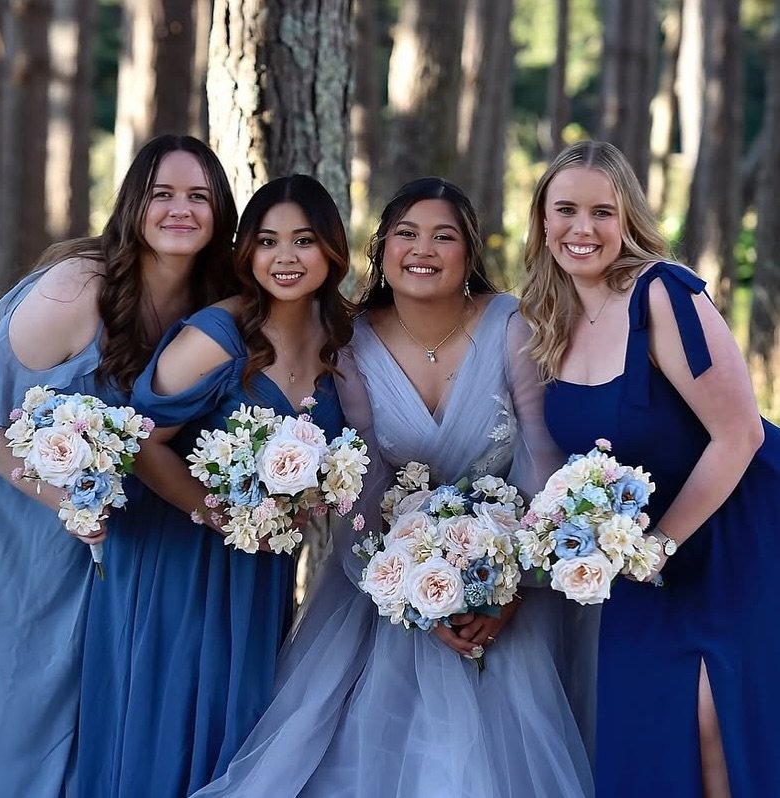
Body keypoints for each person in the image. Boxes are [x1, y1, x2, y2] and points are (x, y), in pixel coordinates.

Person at [191, 177, 596, 798]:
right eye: (405, 234)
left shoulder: (511, 324)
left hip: (515, 577)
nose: (422, 248)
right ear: (381, 250)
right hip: (387, 585)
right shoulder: (349, 340)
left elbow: (541, 459)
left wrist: (509, 587)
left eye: (444, 235)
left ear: (470, 252)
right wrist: (404, 586)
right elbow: (364, 479)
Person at [76, 174, 353, 798]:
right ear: (246, 252)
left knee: (236, 722)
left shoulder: (342, 340)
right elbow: (139, 442)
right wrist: (215, 510)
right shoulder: (216, 334)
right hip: (174, 555)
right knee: (166, 718)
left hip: (260, 569)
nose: (284, 258)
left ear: (331, 250)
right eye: (267, 241)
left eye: (303, 241)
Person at [519, 139, 780, 797]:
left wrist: (662, 544)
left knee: (716, 726)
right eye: (566, 211)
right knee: (655, 736)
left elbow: (739, 433)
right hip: (637, 564)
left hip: (733, 536)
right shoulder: (552, 321)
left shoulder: (663, 293)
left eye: (602, 212)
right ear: (542, 222)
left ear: (628, 218)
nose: (583, 229)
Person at [0, 133, 237, 798]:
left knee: (93, 712)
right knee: (23, 700)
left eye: (198, 197)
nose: (180, 210)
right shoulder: (75, 291)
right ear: (133, 207)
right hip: (22, 523)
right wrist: (59, 499)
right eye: (162, 195)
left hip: (124, 544)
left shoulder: (210, 306)